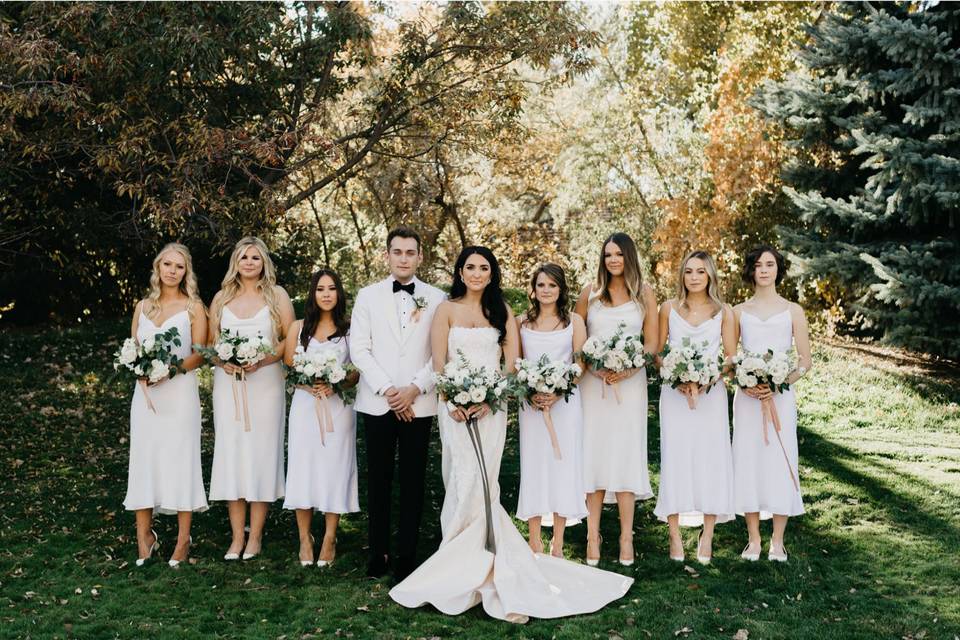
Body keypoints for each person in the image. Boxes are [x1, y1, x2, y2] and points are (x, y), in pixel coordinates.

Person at [390, 246, 633, 624]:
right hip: (454, 408)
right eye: (469, 266)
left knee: (486, 480)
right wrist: (451, 398)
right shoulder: (446, 310)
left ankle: (487, 551)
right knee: (459, 477)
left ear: (491, 273)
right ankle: (457, 555)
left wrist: (489, 401)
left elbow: (510, 364)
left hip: (491, 409)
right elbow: (439, 362)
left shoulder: (501, 311)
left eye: (483, 267)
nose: (476, 273)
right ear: (460, 270)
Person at [349, 227, 446, 580]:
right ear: (387, 256)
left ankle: (406, 556)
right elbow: (359, 347)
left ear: (420, 257)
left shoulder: (437, 298)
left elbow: (441, 351)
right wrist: (390, 390)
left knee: (413, 480)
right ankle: (377, 555)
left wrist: (414, 389)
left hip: (418, 404)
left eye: (410, 252)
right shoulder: (367, 296)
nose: (403, 258)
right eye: (397, 252)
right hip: (377, 403)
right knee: (378, 480)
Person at [208, 237, 295, 561]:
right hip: (229, 387)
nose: (249, 262)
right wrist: (224, 360)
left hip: (266, 386)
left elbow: (289, 338)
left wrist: (261, 360)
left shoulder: (277, 296)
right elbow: (209, 344)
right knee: (232, 455)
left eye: (255, 257)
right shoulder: (221, 297)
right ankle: (235, 538)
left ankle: (255, 536)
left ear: (263, 263)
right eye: (244, 256)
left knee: (261, 456)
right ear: (236, 262)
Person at [574, 232, 659, 566]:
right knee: (593, 455)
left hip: (630, 385)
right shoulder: (589, 295)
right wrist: (593, 367)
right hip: (594, 387)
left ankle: (626, 536)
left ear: (629, 257)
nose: (613, 260)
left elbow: (651, 344)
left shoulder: (644, 294)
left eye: (619, 255)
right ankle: (592, 535)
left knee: (625, 456)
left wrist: (629, 367)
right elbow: (576, 339)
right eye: (608, 254)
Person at [123, 243, 208, 567]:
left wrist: (171, 370)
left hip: (179, 393)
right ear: (158, 268)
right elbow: (133, 348)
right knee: (144, 460)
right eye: (167, 265)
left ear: (186, 272)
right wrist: (140, 370)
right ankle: (144, 537)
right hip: (146, 398)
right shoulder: (143, 306)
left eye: (179, 266)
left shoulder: (193, 307)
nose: (173, 271)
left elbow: (201, 352)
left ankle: (183, 540)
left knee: (181, 460)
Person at [652, 251, 736, 564]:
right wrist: (677, 379)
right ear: (682, 276)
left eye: (701, 271)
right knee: (676, 458)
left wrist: (708, 379)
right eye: (689, 272)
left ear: (710, 275)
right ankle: (674, 535)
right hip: (674, 397)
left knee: (711, 460)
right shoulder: (668, 308)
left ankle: (708, 535)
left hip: (711, 397)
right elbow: (658, 354)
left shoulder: (724, 312)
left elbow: (729, 359)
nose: (695, 277)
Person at [733, 244, 812, 562]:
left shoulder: (793, 310)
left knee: (781, 461)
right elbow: (730, 358)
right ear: (751, 271)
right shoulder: (737, 311)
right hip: (748, 400)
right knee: (748, 460)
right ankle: (753, 539)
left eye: (770, 264)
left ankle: (777, 541)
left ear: (778, 269)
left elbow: (805, 361)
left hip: (780, 399)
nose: (764, 270)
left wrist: (780, 383)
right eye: (758, 265)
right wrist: (745, 381)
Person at [282, 269, 359, 567]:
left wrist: (336, 383)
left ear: (339, 293)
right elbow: (289, 367)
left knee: (334, 469)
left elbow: (354, 371)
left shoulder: (350, 329)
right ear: (313, 294)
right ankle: (304, 537)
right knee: (304, 468)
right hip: (305, 407)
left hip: (338, 409)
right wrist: (308, 384)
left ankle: (329, 536)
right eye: (320, 289)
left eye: (331, 289)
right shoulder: (298, 328)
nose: (326, 294)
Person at [515, 263, 588, 557]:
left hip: (566, 404)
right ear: (533, 289)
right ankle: (534, 540)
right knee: (534, 465)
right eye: (541, 285)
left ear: (561, 289)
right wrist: (530, 391)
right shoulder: (521, 322)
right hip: (531, 407)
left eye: (552, 286)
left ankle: (557, 542)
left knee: (562, 466)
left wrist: (559, 390)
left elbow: (581, 363)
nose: (546, 291)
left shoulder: (574, 321)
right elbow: (516, 364)